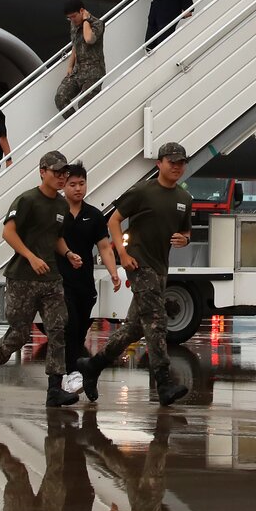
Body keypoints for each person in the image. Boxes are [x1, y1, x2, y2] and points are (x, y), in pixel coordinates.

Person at [76, 142, 194, 407]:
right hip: (140, 265)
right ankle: (164, 383)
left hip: (161, 268)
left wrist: (185, 239)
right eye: (172, 162)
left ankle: (93, 366)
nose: (177, 167)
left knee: (134, 328)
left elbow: (186, 231)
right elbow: (114, 220)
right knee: (156, 321)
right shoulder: (143, 191)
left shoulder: (184, 199)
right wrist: (123, 253)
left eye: (181, 163)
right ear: (159, 164)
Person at [0, 150, 80, 408]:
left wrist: (68, 253)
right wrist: (31, 257)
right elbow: (8, 233)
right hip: (22, 277)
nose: (61, 177)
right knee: (20, 334)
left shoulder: (62, 205)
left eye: (64, 173)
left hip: (51, 278)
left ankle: (54, 389)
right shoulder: (27, 200)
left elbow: (56, 237)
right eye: (56, 172)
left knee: (57, 328)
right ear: (42, 172)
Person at [57, 162, 121, 395]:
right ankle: (70, 374)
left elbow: (104, 246)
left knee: (80, 329)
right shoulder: (56, 212)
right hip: (60, 280)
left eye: (81, 183)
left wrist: (113, 272)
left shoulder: (93, 215)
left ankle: (80, 371)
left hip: (84, 282)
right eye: (72, 184)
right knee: (70, 325)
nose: (78, 189)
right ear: (63, 185)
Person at [55, 0, 106, 111]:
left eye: (74, 16)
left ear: (82, 11)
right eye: (69, 18)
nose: (72, 20)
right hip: (78, 71)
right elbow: (75, 44)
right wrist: (70, 66)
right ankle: (73, 121)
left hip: (93, 73)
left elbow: (89, 39)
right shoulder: (74, 24)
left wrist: (86, 20)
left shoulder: (97, 24)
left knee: (84, 104)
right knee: (60, 97)